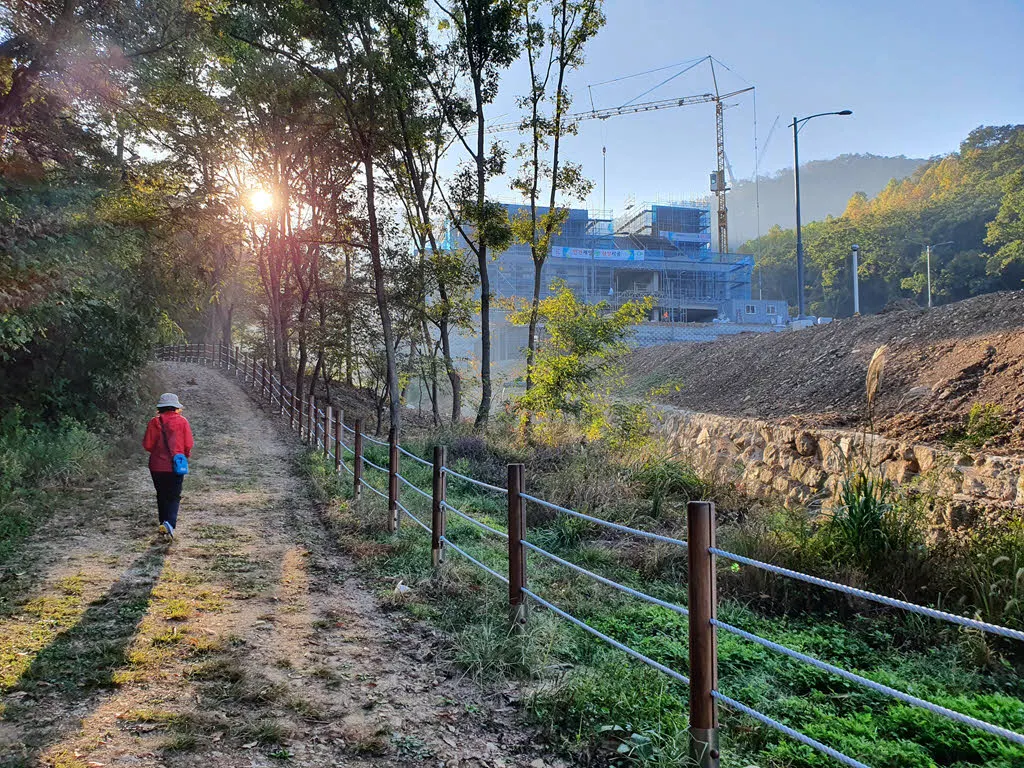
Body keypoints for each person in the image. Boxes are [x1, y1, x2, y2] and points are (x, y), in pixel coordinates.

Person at [142, 393, 194, 540]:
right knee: (174, 496)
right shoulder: (182, 422)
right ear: (176, 407)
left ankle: (163, 523)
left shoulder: (154, 422)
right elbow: (188, 444)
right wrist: (185, 454)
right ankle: (169, 524)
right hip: (175, 465)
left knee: (161, 495)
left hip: (156, 466)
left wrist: (159, 452)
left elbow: (147, 445)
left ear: (161, 407)